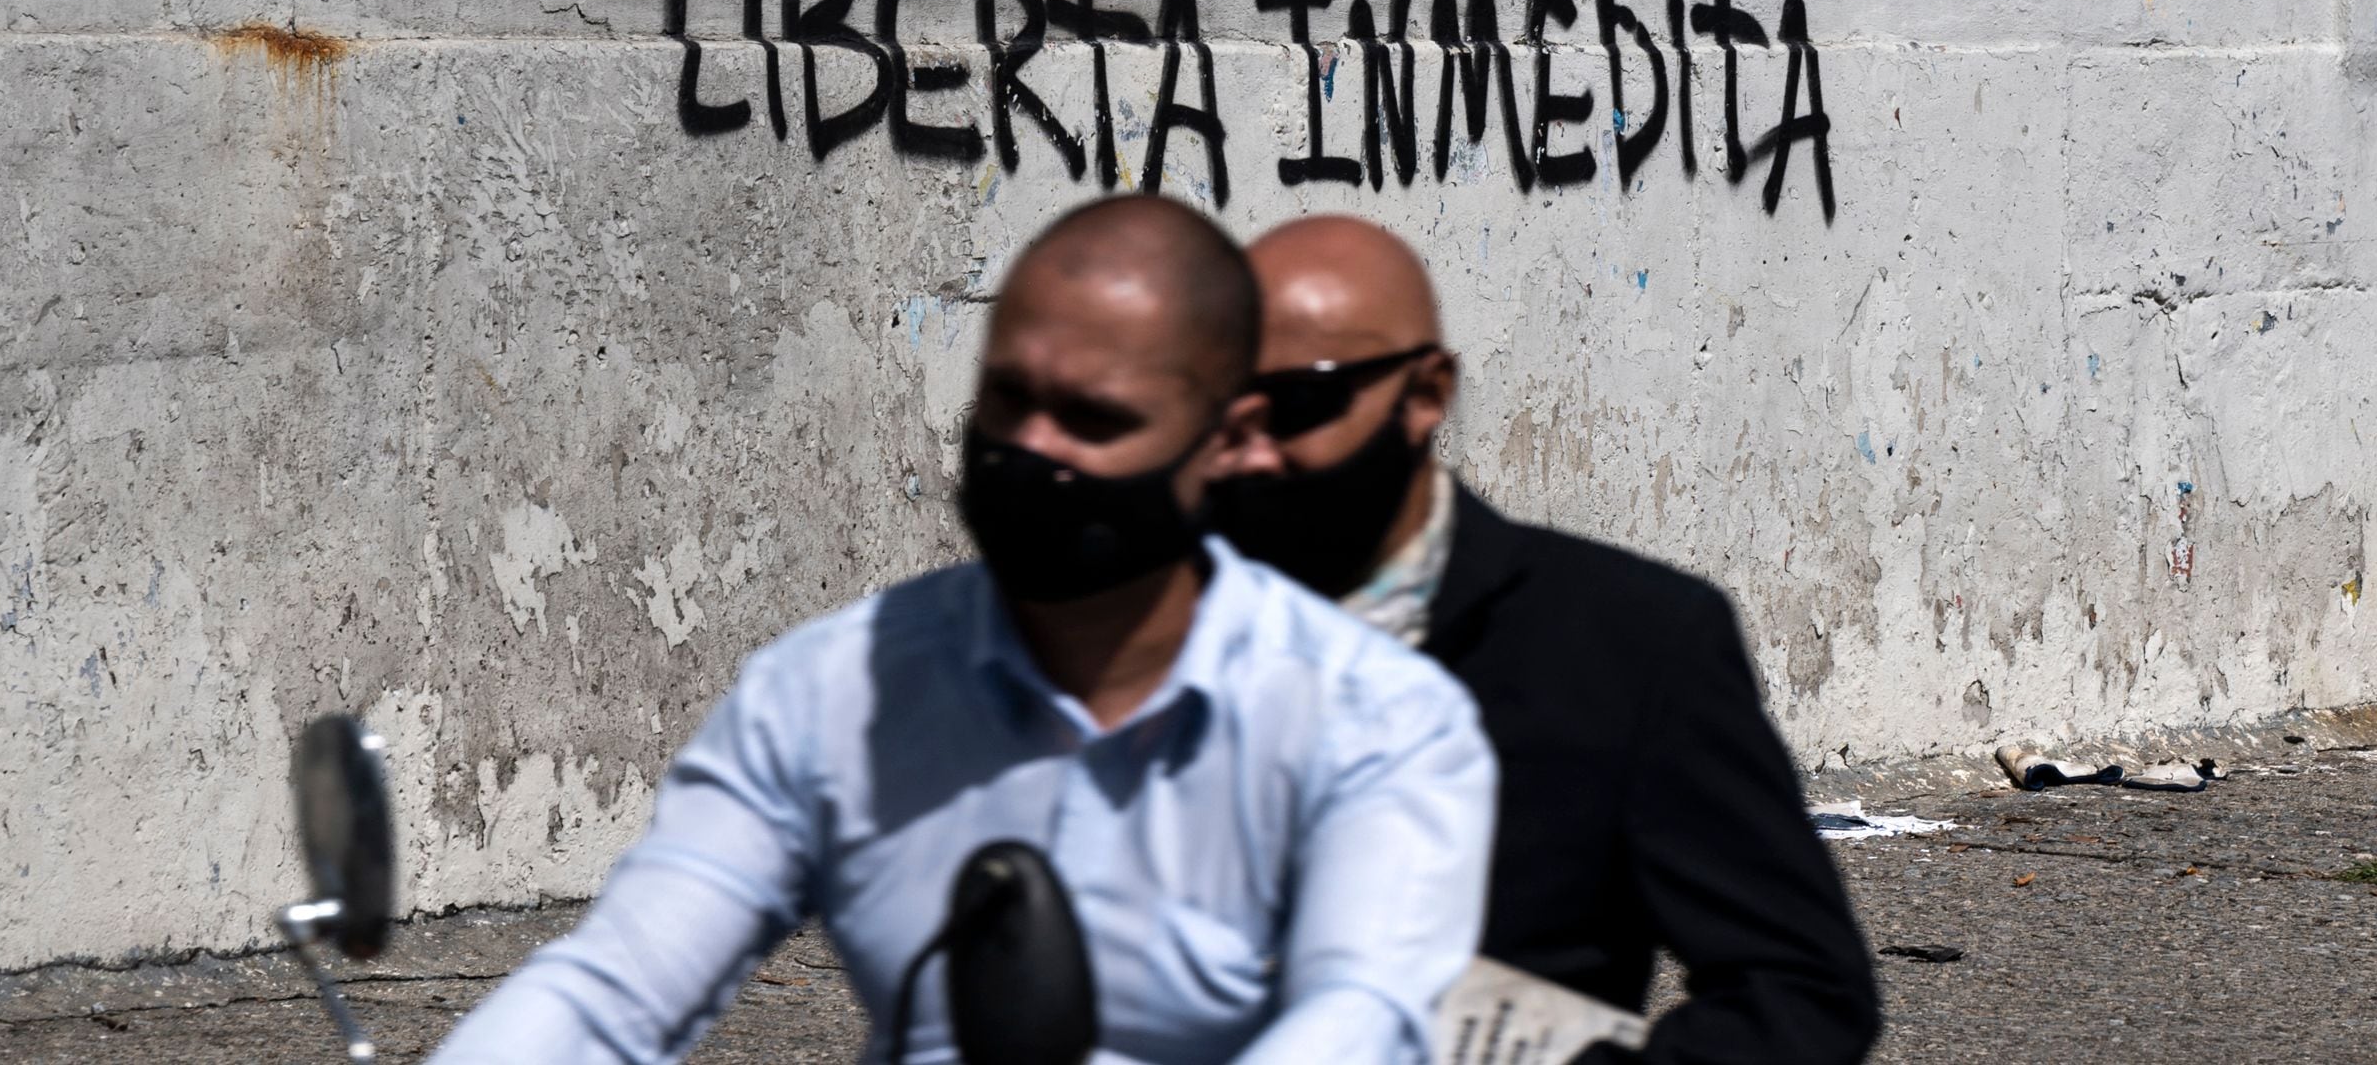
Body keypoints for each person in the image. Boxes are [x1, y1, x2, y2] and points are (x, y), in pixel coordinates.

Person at [431, 196, 1497, 1065]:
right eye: (1008, 397)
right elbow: (615, 986)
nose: (1032, 448)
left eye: (1095, 418)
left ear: (1228, 439)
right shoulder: (832, 692)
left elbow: (1363, 1017)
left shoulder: (1379, 722)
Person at [1209, 215, 1880, 1064]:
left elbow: (1801, 994)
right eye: (1224, 407)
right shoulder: (1131, 613)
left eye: (1301, 403)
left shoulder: (1626, 644)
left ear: (1424, 396)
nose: (1252, 452)